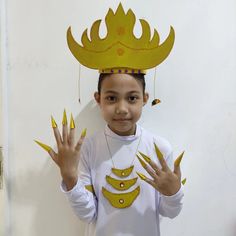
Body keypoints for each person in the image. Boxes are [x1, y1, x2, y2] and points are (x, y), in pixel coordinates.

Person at [35, 3, 184, 236]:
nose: (122, 109)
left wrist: (173, 192)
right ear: (99, 99)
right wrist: (70, 178)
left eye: (132, 98)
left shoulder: (159, 148)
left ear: (145, 99)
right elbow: (88, 214)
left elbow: (170, 212)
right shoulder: (89, 148)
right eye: (112, 98)